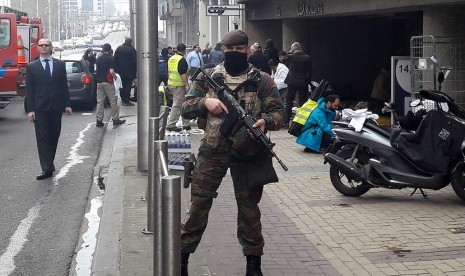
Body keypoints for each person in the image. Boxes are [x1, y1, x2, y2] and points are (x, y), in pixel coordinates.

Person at [180, 29, 285, 276]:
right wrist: (205, 103)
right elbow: (185, 107)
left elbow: (279, 112)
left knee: (249, 210)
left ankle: (253, 264)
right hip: (213, 149)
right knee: (197, 206)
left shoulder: (262, 80)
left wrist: (265, 122)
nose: (235, 54)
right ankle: (181, 259)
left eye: (240, 50)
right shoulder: (208, 77)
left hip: (247, 152)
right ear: (223, 51)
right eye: (230, 50)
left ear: (247, 50)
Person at [26, 38, 73, 180]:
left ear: (51, 47)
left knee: (54, 135)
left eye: (47, 45)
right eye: (42, 45)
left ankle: (49, 162)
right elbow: (30, 90)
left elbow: (64, 86)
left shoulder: (59, 65)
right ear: (38, 48)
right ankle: (46, 167)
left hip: (56, 107)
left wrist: (67, 104)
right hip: (39, 108)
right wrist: (31, 109)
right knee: (42, 137)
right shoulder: (31, 67)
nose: (45, 47)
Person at [95, 43, 126, 128]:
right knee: (113, 101)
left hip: (99, 82)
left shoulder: (98, 59)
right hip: (108, 82)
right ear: (109, 50)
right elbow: (111, 71)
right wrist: (116, 78)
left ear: (103, 49)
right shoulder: (110, 58)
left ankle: (99, 120)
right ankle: (115, 119)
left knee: (100, 102)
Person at [283, 42, 313, 127]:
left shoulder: (291, 57)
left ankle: (286, 122)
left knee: (289, 102)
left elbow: (284, 61)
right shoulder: (307, 57)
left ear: (293, 49)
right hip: (302, 82)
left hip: (291, 82)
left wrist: (289, 52)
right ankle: (302, 122)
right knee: (303, 102)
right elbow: (310, 71)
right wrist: (307, 82)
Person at [166, 43, 191, 132]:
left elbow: (168, 71)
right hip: (179, 86)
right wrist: (187, 84)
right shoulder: (181, 60)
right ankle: (171, 124)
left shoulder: (171, 58)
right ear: (184, 51)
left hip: (171, 84)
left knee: (181, 103)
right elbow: (182, 73)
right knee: (177, 104)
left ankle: (186, 123)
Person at [114, 37, 137, 106]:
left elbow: (115, 59)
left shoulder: (119, 48)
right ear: (131, 42)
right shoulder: (132, 50)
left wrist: (116, 70)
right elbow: (135, 61)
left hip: (119, 71)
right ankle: (126, 100)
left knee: (122, 85)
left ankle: (122, 98)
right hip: (129, 72)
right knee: (128, 86)